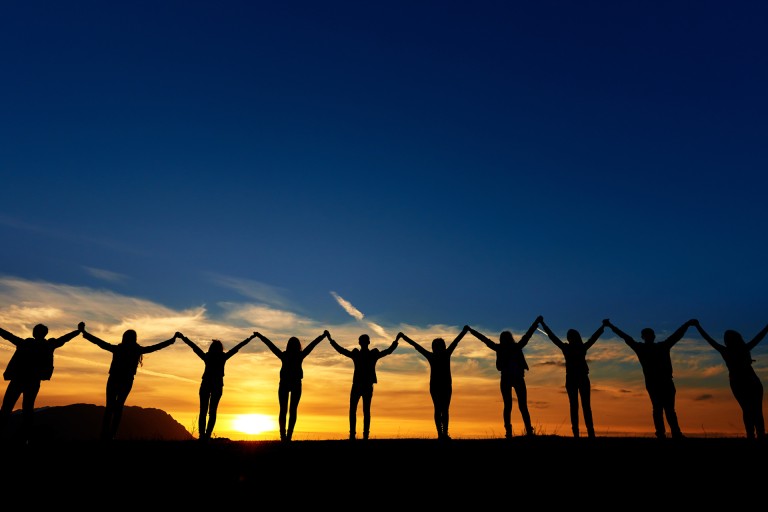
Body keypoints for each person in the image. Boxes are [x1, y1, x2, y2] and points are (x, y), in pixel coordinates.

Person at [79, 322, 178, 440]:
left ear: (124, 338)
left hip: (114, 379)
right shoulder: (136, 350)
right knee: (118, 407)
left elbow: (100, 343)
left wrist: (85, 333)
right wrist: (172, 340)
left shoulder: (118, 349)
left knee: (110, 407)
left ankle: (105, 435)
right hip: (126, 381)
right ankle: (112, 435)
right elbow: (156, 347)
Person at [603, 318, 696, 439]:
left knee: (662, 409)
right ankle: (670, 433)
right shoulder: (657, 347)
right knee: (665, 409)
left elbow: (626, 337)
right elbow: (676, 335)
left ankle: (669, 433)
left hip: (661, 382)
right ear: (650, 336)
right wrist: (687, 324)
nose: (649, 337)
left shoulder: (653, 347)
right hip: (659, 382)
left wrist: (611, 326)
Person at [0, 322, 82, 442]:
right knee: (27, 409)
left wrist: (77, 332)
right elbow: (64, 339)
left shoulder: (25, 343)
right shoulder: (48, 345)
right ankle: (24, 438)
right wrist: (78, 331)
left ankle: (7, 434)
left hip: (18, 380)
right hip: (32, 382)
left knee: (7, 408)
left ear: (35, 332)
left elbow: (8, 335)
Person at [692, 319, 768, 439]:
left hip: (740, 382)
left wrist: (698, 326)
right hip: (750, 381)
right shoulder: (743, 349)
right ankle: (759, 434)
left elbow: (708, 339)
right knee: (755, 410)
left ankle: (752, 435)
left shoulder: (726, 351)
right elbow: (760, 336)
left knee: (747, 409)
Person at [467, 318, 540, 438]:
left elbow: (485, 340)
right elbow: (528, 335)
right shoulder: (513, 347)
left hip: (512, 378)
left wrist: (471, 331)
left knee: (512, 406)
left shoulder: (504, 348)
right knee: (517, 406)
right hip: (511, 378)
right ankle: (522, 431)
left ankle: (518, 431)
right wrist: (536, 323)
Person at [179, 331, 257, 441]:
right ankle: (206, 435)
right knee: (211, 411)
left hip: (207, 384)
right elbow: (237, 347)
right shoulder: (221, 357)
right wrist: (250, 338)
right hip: (215, 385)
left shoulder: (209, 356)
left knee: (204, 411)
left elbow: (194, 347)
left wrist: (183, 338)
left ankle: (203, 436)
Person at [538, 316, 605, 438]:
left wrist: (602, 328)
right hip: (576, 379)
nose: (570, 339)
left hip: (577, 378)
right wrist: (543, 324)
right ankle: (583, 433)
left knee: (580, 406)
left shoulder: (572, 348)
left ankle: (586, 433)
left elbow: (552, 337)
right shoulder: (576, 347)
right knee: (579, 406)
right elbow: (552, 336)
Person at [398, 326, 469, 440]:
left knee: (440, 409)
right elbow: (455, 342)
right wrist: (464, 331)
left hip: (439, 386)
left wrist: (404, 337)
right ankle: (443, 434)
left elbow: (417, 346)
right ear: (442, 346)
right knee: (443, 409)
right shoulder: (445, 354)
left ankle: (442, 434)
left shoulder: (434, 355)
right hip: (443, 386)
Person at [255, 330, 327, 441]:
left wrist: (260, 336)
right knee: (291, 410)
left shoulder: (287, 355)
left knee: (285, 410)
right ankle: (287, 436)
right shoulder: (297, 355)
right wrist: (322, 336)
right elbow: (311, 345)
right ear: (298, 346)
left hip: (288, 383)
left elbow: (271, 345)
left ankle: (284, 436)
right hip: (292, 383)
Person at [327, 331, 398, 440]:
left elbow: (341, 350)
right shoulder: (368, 354)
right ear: (366, 342)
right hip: (363, 385)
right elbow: (388, 351)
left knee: (356, 410)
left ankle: (356, 435)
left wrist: (331, 340)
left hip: (360, 385)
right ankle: (361, 435)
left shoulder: (362, 354)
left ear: (360, 342)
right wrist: (396, 340)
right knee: (363, 410)